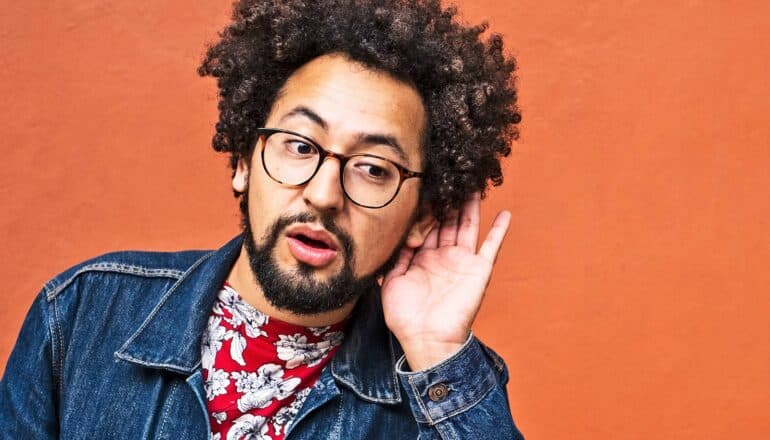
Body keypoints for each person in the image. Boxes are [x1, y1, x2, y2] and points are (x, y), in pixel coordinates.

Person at [0, 0, 523, 438]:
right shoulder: (79, 316)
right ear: (244, 162)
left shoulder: (442, 385)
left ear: (420, 217)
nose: (322, 196)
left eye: (372, 168)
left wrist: (436, 351)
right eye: (299, 146)